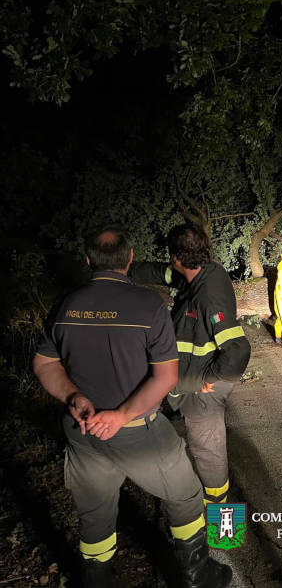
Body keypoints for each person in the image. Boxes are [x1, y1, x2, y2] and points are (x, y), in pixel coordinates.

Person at [33, 226, 232, 588]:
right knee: (190, 492)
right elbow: (168, 376)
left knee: (95, 513)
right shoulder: (150, 304)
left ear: (88, 260)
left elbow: (44, 363)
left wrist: (74, 398)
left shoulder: (65, 306)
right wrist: (212, 382)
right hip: (144, 428)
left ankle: (97, 580)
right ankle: (201, 572)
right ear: (130, 257)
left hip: (84, 431)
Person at [129, 223, 251, 510]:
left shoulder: (208, 296)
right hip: (188, 383)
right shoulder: (197, 272)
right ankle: (205, 511)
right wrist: (125, 271)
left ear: (176, 257)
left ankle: (222, 524)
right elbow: (161, 273)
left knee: (210, 455)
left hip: (203, 391)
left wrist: (207, 380)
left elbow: (238, 350)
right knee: (199, 450)